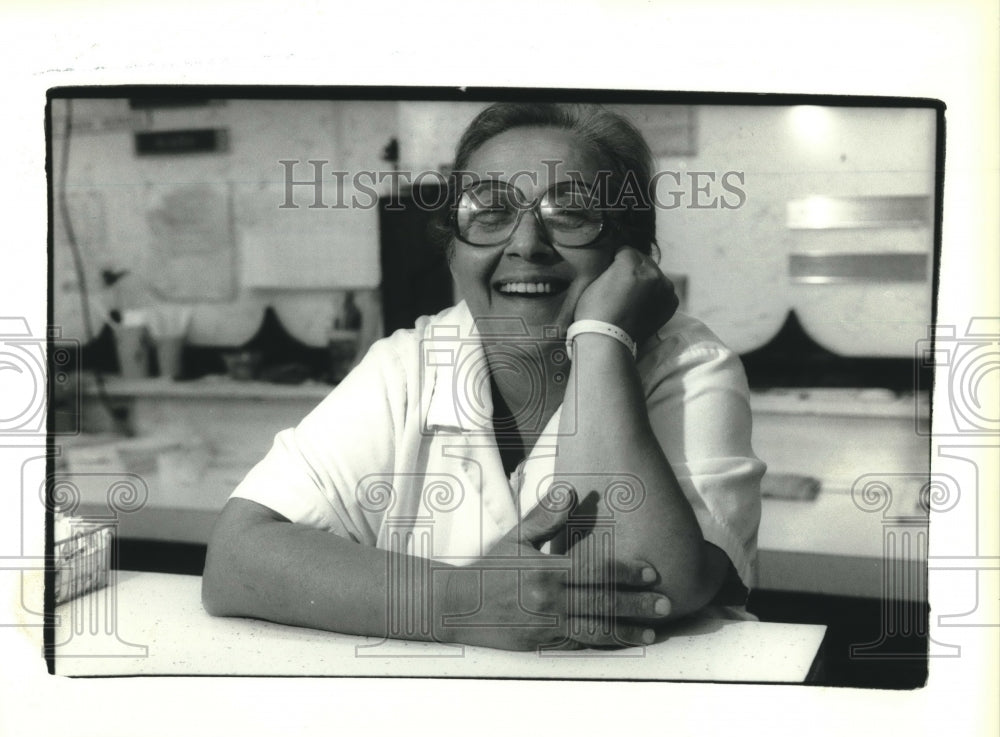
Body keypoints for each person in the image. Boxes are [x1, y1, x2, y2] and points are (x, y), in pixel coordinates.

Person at [201, 102, 766, 651]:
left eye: (570, 213)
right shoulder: (410, 365)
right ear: (454, 251)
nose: (525, 245)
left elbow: (654, 583)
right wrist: (461, 602)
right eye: (489, 212)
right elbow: (234, 556)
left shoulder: (689, 367)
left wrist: (602, 339)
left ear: (633, 255)